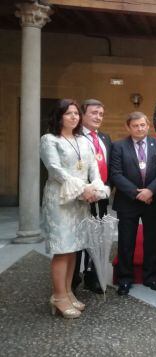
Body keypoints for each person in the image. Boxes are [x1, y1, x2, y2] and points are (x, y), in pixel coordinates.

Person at [40, 99, 109, 319]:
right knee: (62, 249)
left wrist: (95, 188)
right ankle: (58, 297)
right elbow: (55, 169)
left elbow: (94, 170)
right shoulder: (50, 140)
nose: (74, 117)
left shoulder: (83, 140)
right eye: (68, 113)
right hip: (61, 199)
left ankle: (68, 292)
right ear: (59, 116)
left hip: (81, 200)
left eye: (76, 114)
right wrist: (82, 190)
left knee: (74, 248)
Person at [110, 112, 156, 296]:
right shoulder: (118, 146)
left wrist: (150, 191)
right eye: (135, 126)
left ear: (148, 125)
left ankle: (151, 277)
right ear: (128, 127)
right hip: (128, 201)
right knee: (126, 242)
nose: (139, 128)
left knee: (152, 240)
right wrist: (137, 194)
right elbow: (116, 174)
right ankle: (124, 279)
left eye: (142, 125)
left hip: (154, 199)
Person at [74, 98, 112, 294]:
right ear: (82, 115)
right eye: (94, 113)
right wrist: (86, 191)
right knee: (80, 236)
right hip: (82, 197)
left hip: (102, 197)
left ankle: (92, 276)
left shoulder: (104, 138)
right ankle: (73, 278)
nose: (98, 117)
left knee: (97, 236)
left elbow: (110, 167)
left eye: (101, 114)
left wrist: (106, 190)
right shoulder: (74, 137)